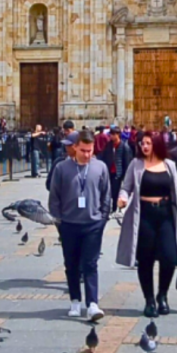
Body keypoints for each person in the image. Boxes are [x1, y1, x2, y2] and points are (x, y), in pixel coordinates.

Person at [116, 131, 177, 317]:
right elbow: (126, 187)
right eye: (142, 143)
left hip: (166, 214)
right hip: (144, 214)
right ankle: (149, 300)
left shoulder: (169, 165)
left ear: (156, 145)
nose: (144, 146)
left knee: (169, 257)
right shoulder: (136, 165)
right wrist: (122, 198)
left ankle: (162, 295)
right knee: (145, 260)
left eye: (148, 143)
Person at [48, 129, 110, 321]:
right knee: (72, 264)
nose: (87, 155)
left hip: (93, 223)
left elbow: (106, 193)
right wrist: (58, 220)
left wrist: (103, 218)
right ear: (75, 148)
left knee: (90, 264)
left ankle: (92, 304)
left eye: (90, 150)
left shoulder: (100, 167)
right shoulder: (62, 168)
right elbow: (54, 196)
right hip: (69, 223)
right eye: (83, 150)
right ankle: (75, 300)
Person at [99, 126, 132, 205]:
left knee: (115, 191)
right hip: (109, 171)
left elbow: (126, 161)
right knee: (107, 190)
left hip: (118, 173)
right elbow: (104, 156)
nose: (112, 136)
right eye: (111, 134)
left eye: (114, 134)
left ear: (118, 135)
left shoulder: (124, 147)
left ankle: (114, 207)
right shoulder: (108, 145)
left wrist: (125, 175)